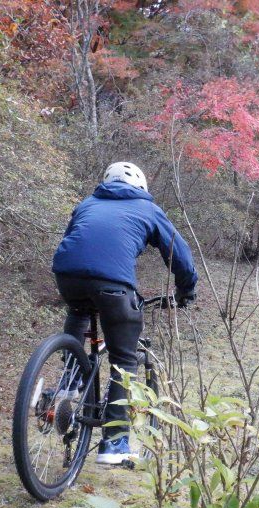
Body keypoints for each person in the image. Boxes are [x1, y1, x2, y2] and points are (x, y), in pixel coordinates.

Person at [52, 162, 198, 464]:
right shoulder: (148, 210)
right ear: (141, 187)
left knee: (79, 309)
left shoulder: (87, 203)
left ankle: (69, 381)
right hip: (114, 283)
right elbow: (179, 254)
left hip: (67, 274)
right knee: (123, 358)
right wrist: (186, 291)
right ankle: (115, 442)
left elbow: (76, 241)